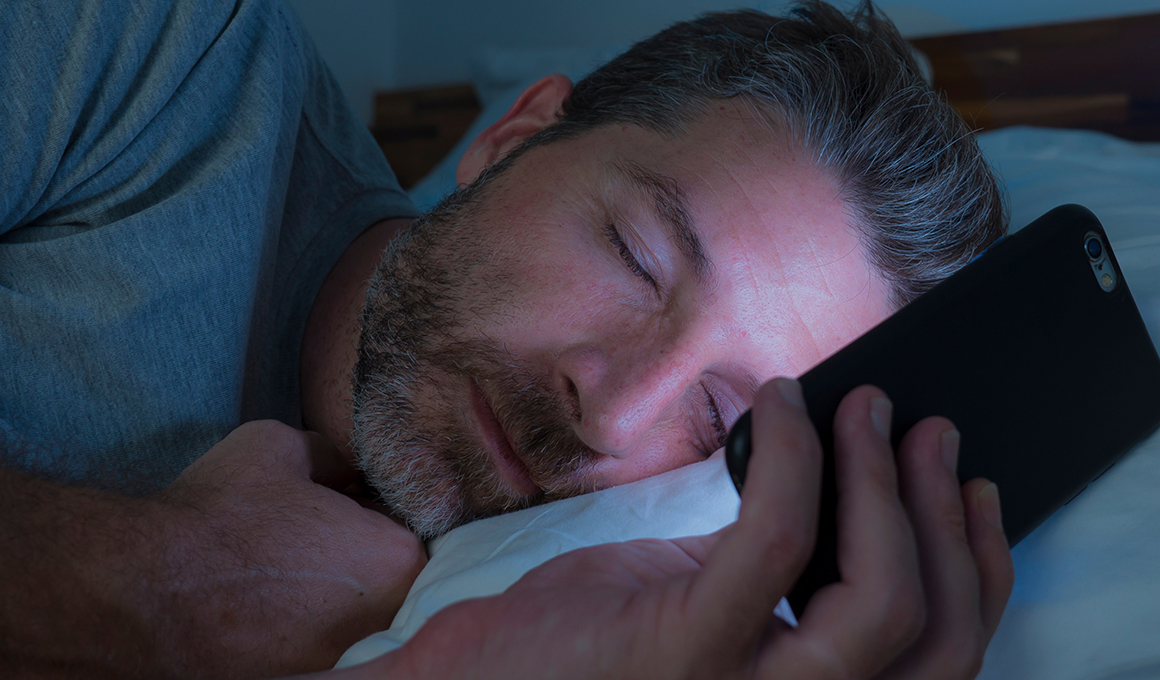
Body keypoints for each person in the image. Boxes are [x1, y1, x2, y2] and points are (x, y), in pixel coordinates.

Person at [0, 0, 1013, 677]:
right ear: (512, 139)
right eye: (635, 255)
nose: (608, 409)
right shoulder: (160, 56)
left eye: (716, 423)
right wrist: (163, 585)